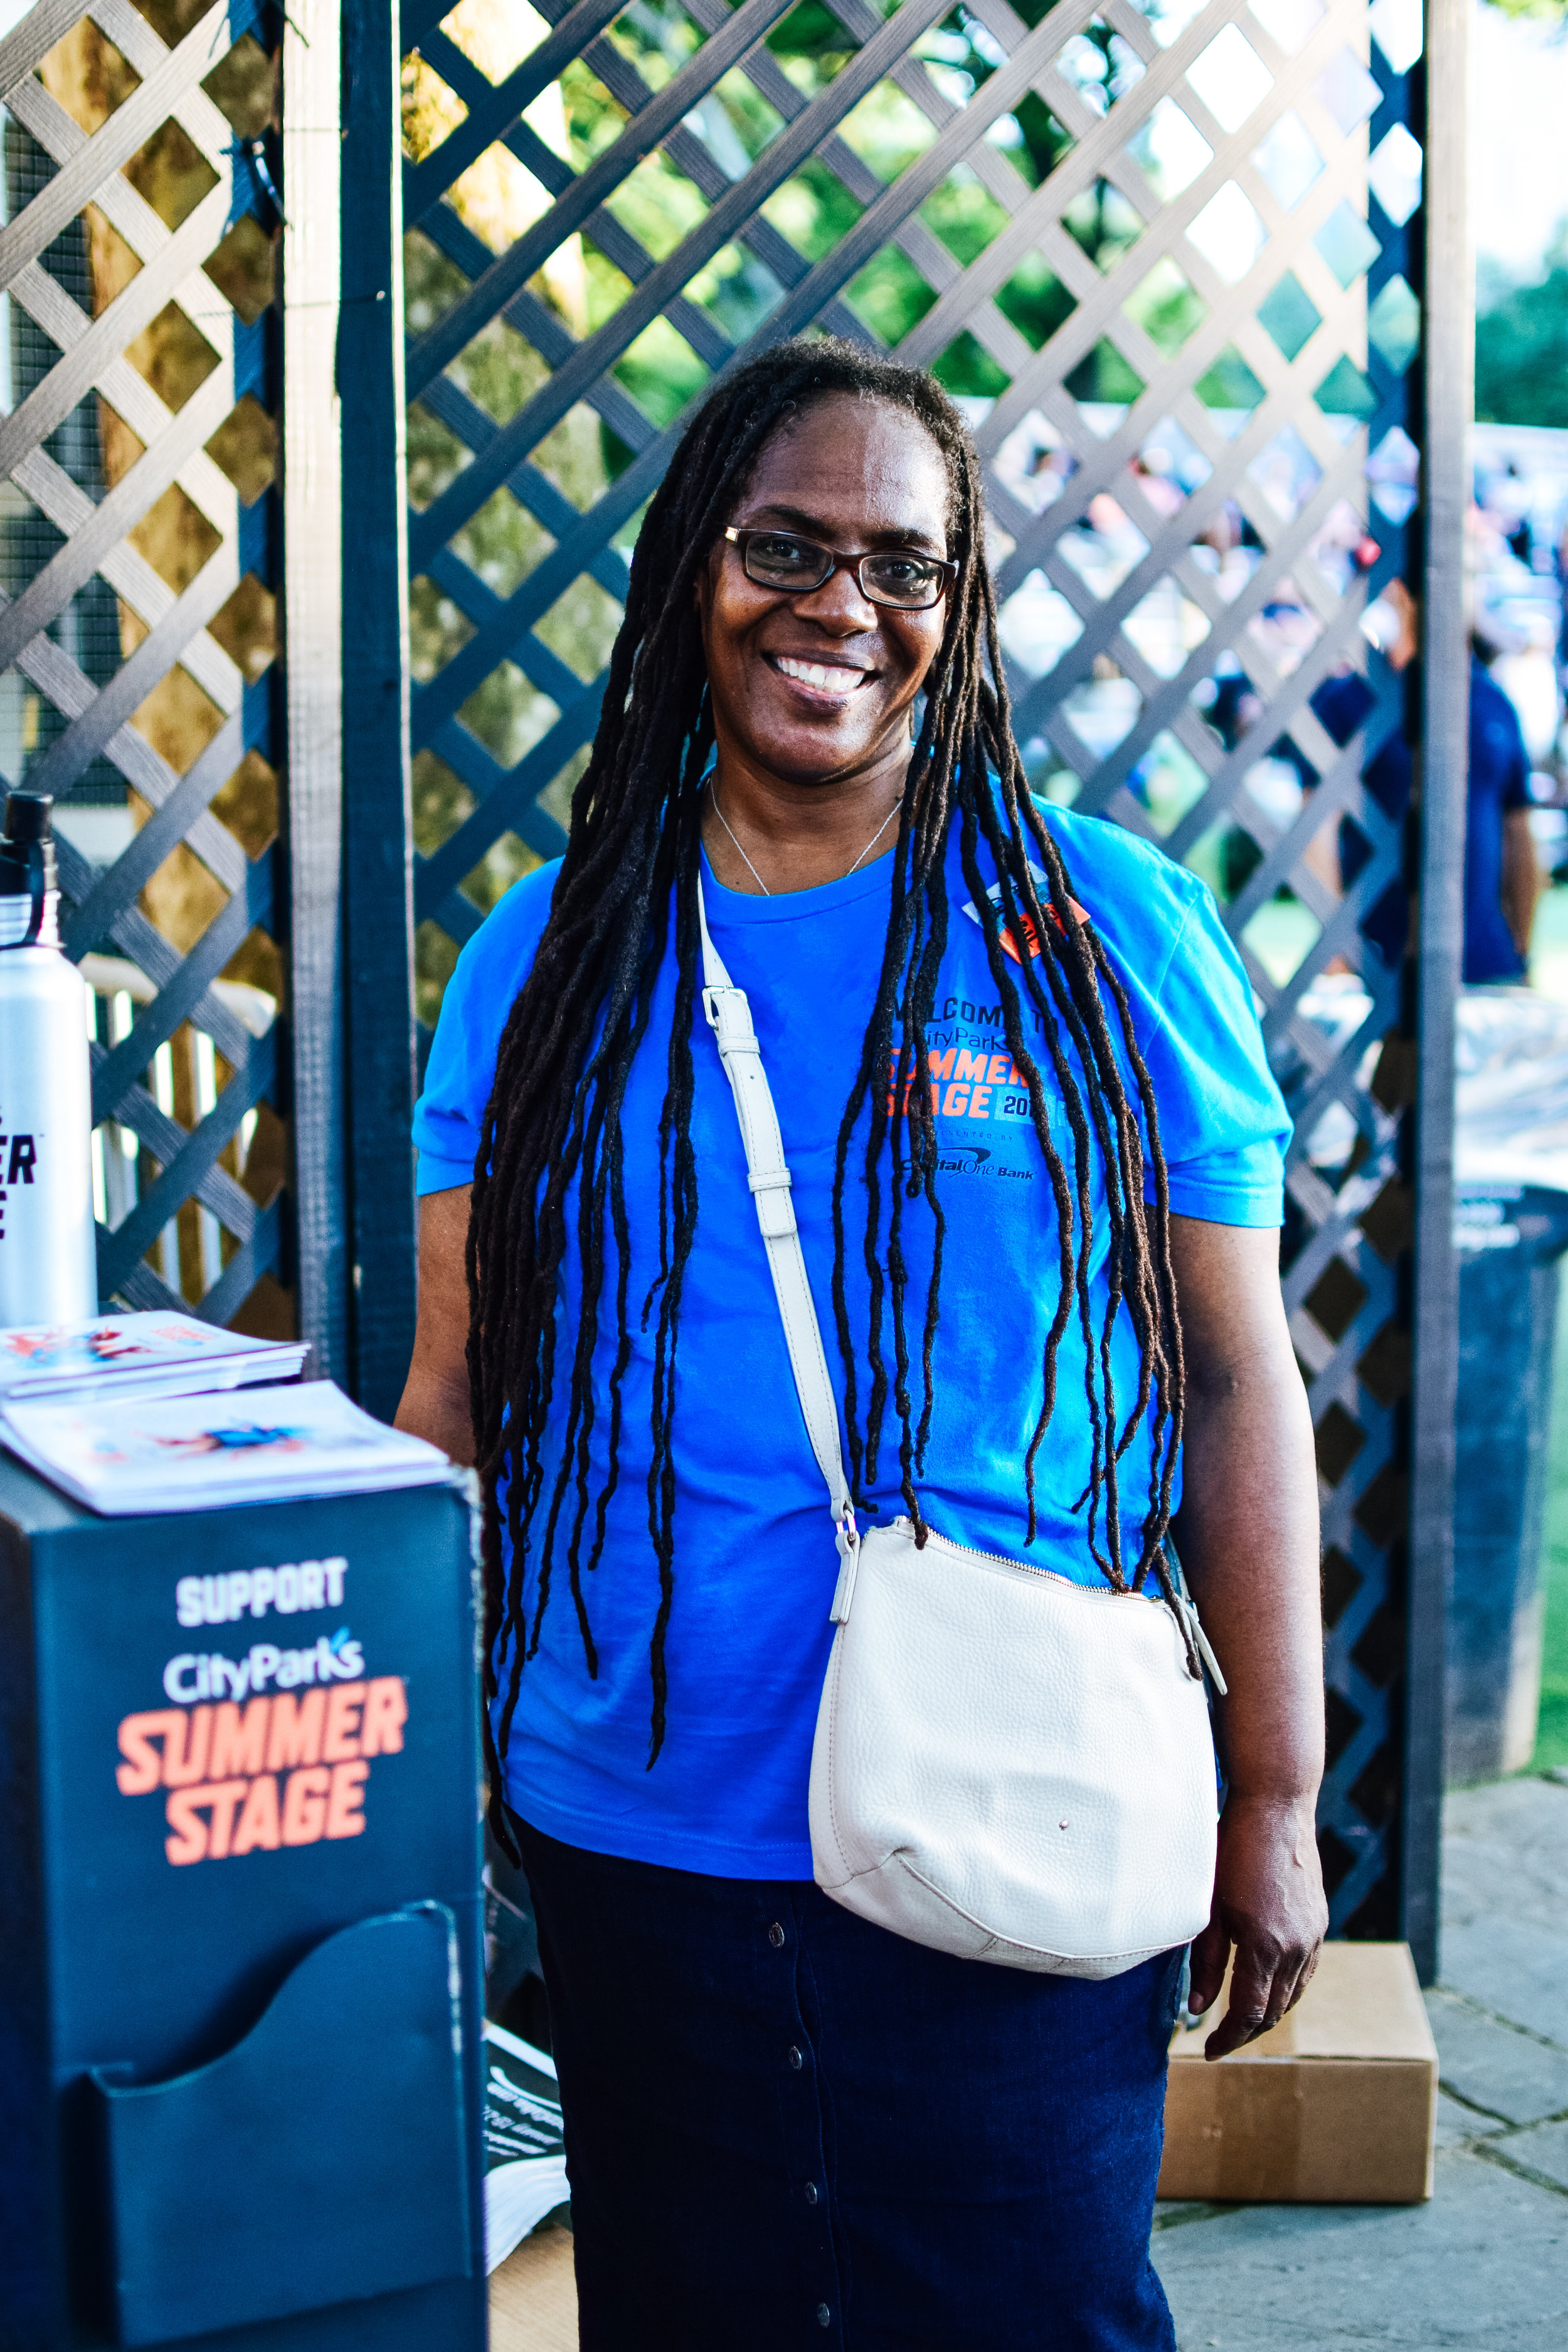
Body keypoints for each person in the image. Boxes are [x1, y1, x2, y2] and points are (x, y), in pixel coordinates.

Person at [397, 339, 1326, 2349]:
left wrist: (1267, 1788)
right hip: (636, 1812)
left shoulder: (1105, 930)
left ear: (959, 604)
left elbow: (1238, 1378)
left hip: (1018, 1792)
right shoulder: (538, 964)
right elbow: (452, 1402)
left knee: (1029, 2310)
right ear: (687, 576)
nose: (840, 606)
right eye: (782, 547)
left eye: (901, 565)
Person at [1316, 583, 1541, 979]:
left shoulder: (1494, 702)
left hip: (1486, 964)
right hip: (1378, 967)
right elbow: (1317, 831)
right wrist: (1337, 955)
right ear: (1397, 591)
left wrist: (1521, 949)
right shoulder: (1351, 699)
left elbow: (1519, 835)